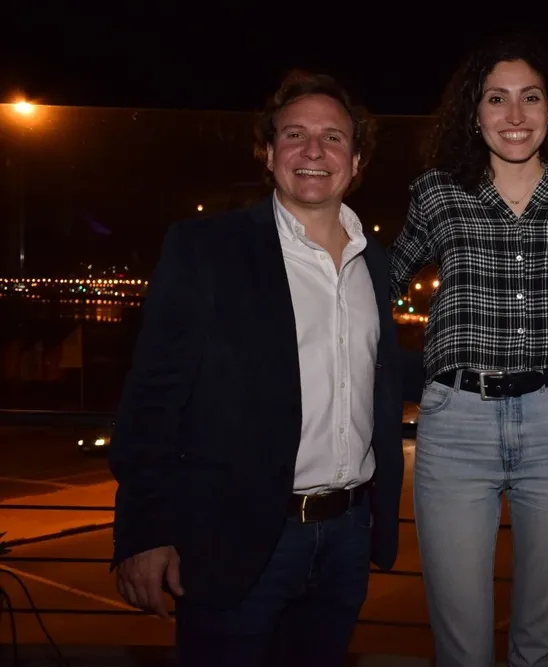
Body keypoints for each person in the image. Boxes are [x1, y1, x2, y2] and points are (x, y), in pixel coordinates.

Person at [110, 70, 421, 667]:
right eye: (294, 134)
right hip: (238, 538)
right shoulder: (206, 249)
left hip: (348, 538)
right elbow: (153, 398)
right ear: (267, 150)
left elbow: (380, 374)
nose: (313, 151)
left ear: (357, 159)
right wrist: (143, 532)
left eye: (333, 137)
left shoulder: (374, 263)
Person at [387, 34, 548, 667]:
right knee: (459, 644)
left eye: (530, 98)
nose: (515, 117)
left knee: (541, 640)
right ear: (475, 111)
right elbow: (380, 281)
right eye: (497, 99)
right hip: (455, 422)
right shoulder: (438, 192)